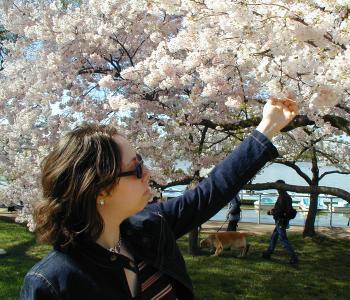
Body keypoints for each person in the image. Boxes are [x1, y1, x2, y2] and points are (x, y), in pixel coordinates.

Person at [20, 98, 298, 299]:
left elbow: (212, 189)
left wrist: (267, 128)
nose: (147, 173)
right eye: (136, 168)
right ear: (100, 189)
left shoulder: (151, 227)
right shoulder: (53, 285)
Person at [262, 180, 298, 265]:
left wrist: (271, 212)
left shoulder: (283, 197)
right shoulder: (286, 196)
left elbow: (281, 210)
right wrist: (274, 211)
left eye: (277, 187)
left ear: (280, 187)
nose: (276, 189)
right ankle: (268, 253)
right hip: (282, 220)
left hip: (281, 221)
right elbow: (283, 209)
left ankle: (294, 258)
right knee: (274, 237)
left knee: (283, 239)